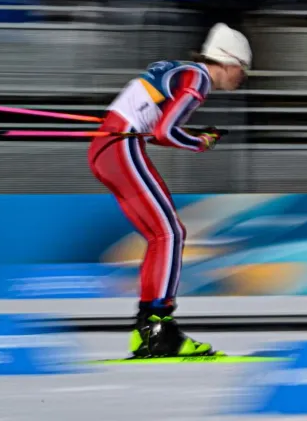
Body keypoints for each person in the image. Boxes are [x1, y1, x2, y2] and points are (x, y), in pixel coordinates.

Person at [88, 23, 251, 359]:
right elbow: (165, 132)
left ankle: (150, 331)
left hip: (111, 148)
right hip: (121, 148)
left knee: (164, 235)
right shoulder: (199, 78)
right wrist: (199, 142)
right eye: (243, 71)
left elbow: (156, 120)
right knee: (170, 235)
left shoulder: (184, 72)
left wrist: (192, 136)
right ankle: (158, 331)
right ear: (229, 62)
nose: (242, 78)